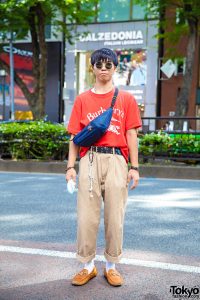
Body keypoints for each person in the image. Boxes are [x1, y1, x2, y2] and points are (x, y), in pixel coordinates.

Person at [66, 48, 142, 287]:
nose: (104, 69)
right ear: (92, 68)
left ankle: (111, 265)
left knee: (114, 215)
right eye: (99, 64)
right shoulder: (82, 99)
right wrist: (70, 166)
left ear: (115, 68)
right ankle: (88, 266)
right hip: (89, 159)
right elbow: (74, 137)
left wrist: (135, 167)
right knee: (86, 216)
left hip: (117, 159)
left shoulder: (126, 99)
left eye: (109, 65)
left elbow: (131, 134)